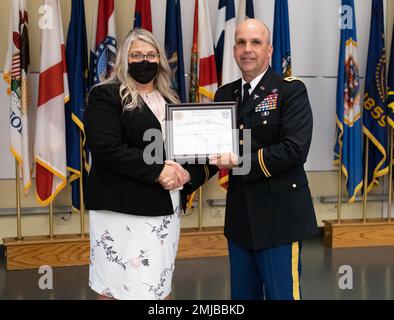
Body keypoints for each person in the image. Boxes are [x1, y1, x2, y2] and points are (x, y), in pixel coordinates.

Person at [84, 28, 215, 300]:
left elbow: (187, 152)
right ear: (123, 60)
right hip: (119, 210)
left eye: (151, 54)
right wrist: (159, 171)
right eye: (136, 55)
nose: (144, 61)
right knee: (114, 288)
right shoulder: (106, 95)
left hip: (164, 208)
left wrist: (186, 175)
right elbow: (106, 148)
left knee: (157, 285)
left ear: (160, 60)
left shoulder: (171, 99)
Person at [210, 19, 318, 300]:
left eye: (255, 43)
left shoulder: (290, 91)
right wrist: (181, 175)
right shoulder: (225, 95)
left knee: (282, 295)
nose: (248, 50)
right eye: (241, 43)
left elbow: (295, 149)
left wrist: (240, 160)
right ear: (234, 50)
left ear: (269, 50)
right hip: (240, 219)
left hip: (280, 219)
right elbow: (211, 151)